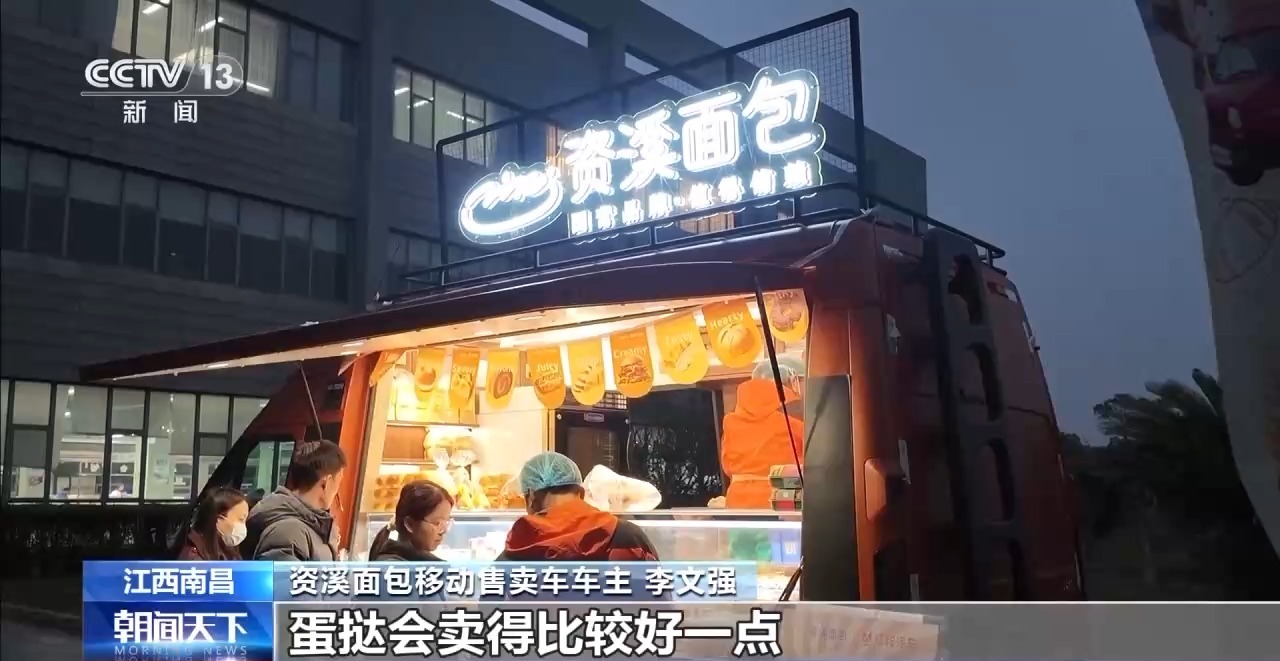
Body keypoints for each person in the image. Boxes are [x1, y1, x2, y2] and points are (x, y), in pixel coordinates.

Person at [497, 451, 659, 562]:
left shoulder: (518, 548)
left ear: (531, 498)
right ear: (581, 493)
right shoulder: (627, 536)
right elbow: (659, 596)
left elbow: (491, 600)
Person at [720, 356, 805, 509]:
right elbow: (818, 462)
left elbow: (727, 466)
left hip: (738, 506)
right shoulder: (796, 412)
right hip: (783, 506)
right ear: (793, 380)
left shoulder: (731, 420)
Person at [244, 440, 346, 561]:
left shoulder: (306, 528)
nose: (337, 491)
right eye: (338, 482)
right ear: (326, 483)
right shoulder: (288, 534)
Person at [368, 480, 454, 561]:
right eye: (437, 523)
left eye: (445, 523)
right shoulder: (393, 567)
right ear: (410, 524)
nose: (443, 531)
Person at [179, 487, 249, 560]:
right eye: (241, 519)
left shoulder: (228, 550)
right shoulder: (194, 560)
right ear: (219, 519)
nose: (243, 526)